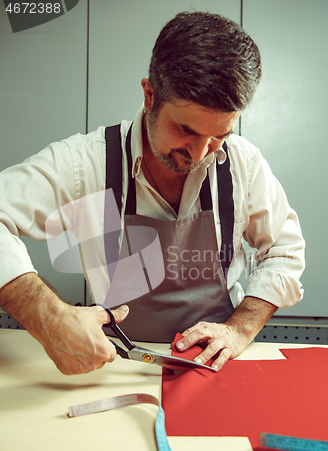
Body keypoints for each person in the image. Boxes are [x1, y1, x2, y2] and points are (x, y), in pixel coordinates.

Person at [0, 12, 305, 375]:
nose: (199, 153)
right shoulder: (84, 163)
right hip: (113, 364)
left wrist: (239, 330)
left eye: (219, 136)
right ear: (150, 95)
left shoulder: (244, 164)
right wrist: (47, 317)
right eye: (186, 130)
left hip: (214, 365)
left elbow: (285, 251)